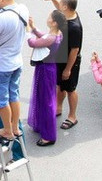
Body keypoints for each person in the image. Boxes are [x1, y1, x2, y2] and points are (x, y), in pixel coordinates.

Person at [0, 0, 29, 142]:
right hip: (17, 61)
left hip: (2, 65)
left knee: (1, 99)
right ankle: (15, 127)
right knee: (14, 95)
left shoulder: (2, 18)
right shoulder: (23, 9)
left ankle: (7, 130)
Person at [42, 0, 82, 131]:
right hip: (60, 57)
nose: (59, 5)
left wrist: (68, 69)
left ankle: (72, 116)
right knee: (59, 85)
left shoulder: (74, 27)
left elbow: (75, 50)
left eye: (61, 3)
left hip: (70, 62)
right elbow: (60, 7)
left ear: (65, 7)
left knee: (70, 89)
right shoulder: (68, 15)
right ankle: (58, 107)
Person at [26, 9, 66, 146]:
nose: (47, 18)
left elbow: (33, 43)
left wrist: (28, 31)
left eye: (50, 17)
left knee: (46, 101)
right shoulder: (57, 34)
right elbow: (43, 36)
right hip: (48, 68)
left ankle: (48, 136)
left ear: (54, 23)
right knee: (43, 99)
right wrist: (33, 28)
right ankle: (43, 126)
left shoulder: (51, 38)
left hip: (45, 70)